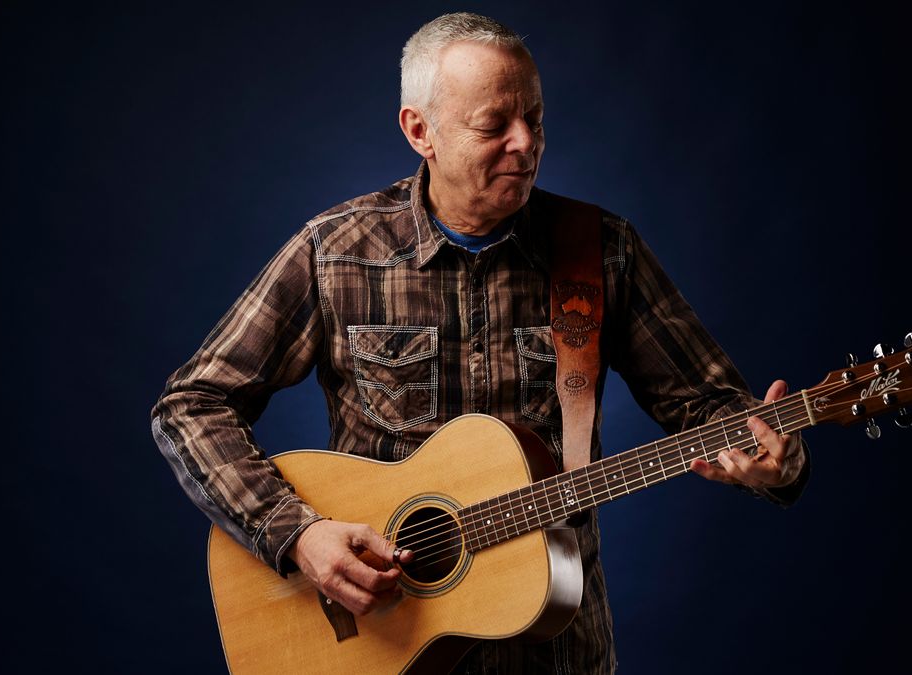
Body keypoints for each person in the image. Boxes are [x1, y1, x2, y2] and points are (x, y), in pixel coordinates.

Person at [151, 11, 808, 673]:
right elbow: (190, 406)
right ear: (420, 131)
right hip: (382, 647)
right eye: (495, 125)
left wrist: (771, 460)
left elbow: (713, 409)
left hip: (556, 653)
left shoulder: (601, 251)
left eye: (537, 119)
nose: (525, 144)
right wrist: (299, 534)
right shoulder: (336, 252)